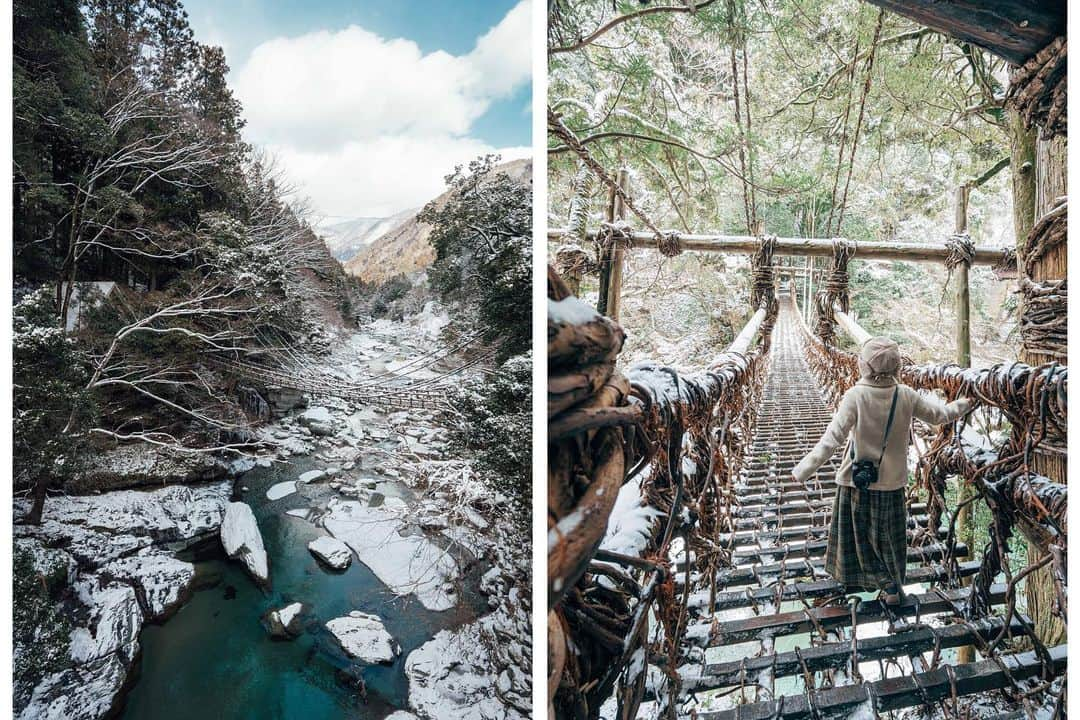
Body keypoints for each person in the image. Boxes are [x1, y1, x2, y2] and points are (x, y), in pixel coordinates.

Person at [791, 336, 973, 605]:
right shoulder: (906, 395)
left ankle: (850, 581)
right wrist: (966, 403)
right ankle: (891, 590)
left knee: (856, 537)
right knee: (888, 540)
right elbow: (939, 416)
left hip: (857, 482)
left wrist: (802, 471)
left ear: (864, 366)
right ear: (897, 366)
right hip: (891, 484)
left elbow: (832, 440)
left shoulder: (855, 396)